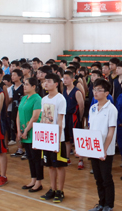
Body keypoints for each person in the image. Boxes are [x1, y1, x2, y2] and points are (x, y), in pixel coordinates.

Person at [85, 78, 118, 211]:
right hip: (94, 148)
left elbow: (111, 132)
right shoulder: (93, 108)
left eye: (99, 90)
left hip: (106, 150)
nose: (96, 92)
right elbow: (90, 127)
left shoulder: (111, 109)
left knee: (106, 177)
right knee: (98, 177)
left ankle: (109, 205)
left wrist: (104, 149)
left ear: (106, 93)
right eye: (94, 89)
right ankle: (101, 202)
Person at [39, 73, 68, 202]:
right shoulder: (44, 99)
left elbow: (60, 121)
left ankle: (60, 190)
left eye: (49, 81)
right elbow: (42, 118)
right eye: (45, 81)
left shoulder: (60, 99)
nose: (46, 83)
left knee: (59, 165)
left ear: (56, 84)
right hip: (46, 138)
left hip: (57, 138)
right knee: (50, 165)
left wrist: (57, 138)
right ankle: (52, 188)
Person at [16, 77, 44, 192]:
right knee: (30, 157)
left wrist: (26, 130)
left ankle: (39, 182)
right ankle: (33, 179)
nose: (24, 86)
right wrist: (19, 130)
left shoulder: (37, 99)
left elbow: (35, 117)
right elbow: (18, 114)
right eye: (24, 84)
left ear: (33, 86)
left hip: (33, 132)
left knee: (36, 158)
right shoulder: (24, 98)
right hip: (24, 132)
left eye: (27, 84)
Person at [62, 70, 85, 169]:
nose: (65, 80)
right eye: (64, 78)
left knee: (77, 139)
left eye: (67, 78)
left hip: (74, 117)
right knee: (67, 140)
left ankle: (80, 160)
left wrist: (80, 118)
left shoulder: (77, 92)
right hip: (66, 117)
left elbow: (81, 106)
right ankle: (67, 158)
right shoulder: (64, 91)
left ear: (72, 79)